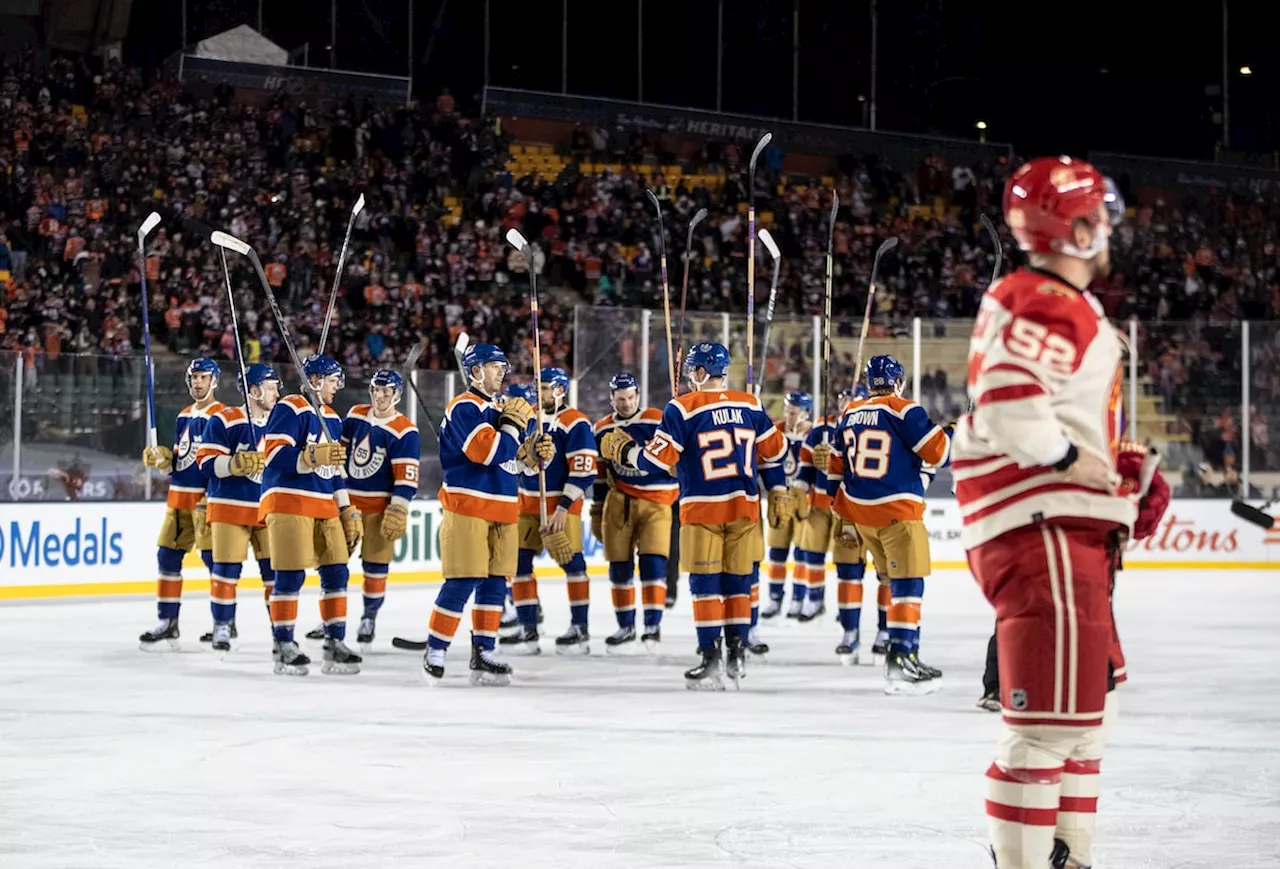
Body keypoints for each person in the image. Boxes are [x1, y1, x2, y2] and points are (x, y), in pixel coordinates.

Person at [951, 155, 1134, 869]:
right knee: (1046, 731)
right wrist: (1069, 462)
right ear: (1080, 227)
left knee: (1086, 720)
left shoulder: (1048, 297)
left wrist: (1113, 480)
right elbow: (1008, 398)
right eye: (1099, 216)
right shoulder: (1048, 297)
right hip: (1040, 529)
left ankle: (1069, 855)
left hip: (1060, 526)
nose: (1109, 228)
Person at [600, 342, 791, 689]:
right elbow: (775, 452)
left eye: (691, 371)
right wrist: (777, 489)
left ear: (701, 373)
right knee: (738, 585)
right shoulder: (750, 403)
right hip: (745, 510)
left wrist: (625, 450)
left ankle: (710, 658)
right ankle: (737, 655)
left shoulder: (681, 407)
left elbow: (655, 462)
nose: (688, 378)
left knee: (705, 587)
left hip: (702, 509)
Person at [814, 355, 950, 694]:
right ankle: (900, 660)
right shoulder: (905, 410)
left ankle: (906, 655)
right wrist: (952, 431)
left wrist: (840, 510)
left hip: (862, 516)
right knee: (908, 586)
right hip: (897, 512)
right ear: (899, 382)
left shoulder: (850, 414)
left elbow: (835, 467)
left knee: (892, 580)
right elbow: (940, 454)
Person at [423, 344, 531, 685]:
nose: (502, 371)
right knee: (463, 579)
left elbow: (515, 461)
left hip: (503, 507)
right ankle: (435, 648)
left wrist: (535, 454)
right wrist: (512, 428)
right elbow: (486, 452)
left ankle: (484, 650)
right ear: (474, 372)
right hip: (468, 508)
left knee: (496, 581)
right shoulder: (464, 407)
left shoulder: (498, 409)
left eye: (503, 365)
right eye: (493, 366)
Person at [260, 355, 363, 676]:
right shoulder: (289, 407)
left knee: (337, 571)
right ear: (315, 381)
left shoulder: (332, 417)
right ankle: (284, 644)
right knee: (290, 575)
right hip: (288, 501)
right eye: (332, 381)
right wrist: (310, 455)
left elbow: (334, 470)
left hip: (324, 504)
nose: (337, 387)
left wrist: (346, 507)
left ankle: (334, 642)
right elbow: (274, 453)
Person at [511, 367, 598, 655]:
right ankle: (528, 628)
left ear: (561, 390)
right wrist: (526, 459)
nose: (540, 392)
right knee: (519, 566)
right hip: (526, 505)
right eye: (538, 387)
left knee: (572, 564)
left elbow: (584, 472)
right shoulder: (528, 419)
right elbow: (515, 464)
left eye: (546, 387)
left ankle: (580, 628)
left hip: (561, 508)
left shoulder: (576, 423)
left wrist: (563, 508)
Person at [138, 358, 223, 650]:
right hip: (178, 499)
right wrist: (163, 461)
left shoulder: (222, 416)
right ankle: (168, 621)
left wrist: (214, 496)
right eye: (193, 378)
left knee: (215, 563)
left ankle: (223, 623)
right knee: (167, 558)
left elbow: (218, 463)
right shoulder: (183, 415)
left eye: (203, 377)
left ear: (214, 381)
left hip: (205, 502)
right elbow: (180, 463)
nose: (197, 383)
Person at [194, 363, 280, 653]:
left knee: (275, 574)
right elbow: (205, 462)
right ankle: (222, 626)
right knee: (225, 571)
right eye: (270, 387)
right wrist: (234, 464)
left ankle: (279, 629)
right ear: (253, 391)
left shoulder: (281, 421)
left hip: (268, 510)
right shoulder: (225, 419)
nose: (277, 392)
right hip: (230, 507)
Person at [591, 372, 677, 653]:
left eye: (630, 398)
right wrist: (598, 507)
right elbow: (601, 474)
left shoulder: (657, 418)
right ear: (612, 399)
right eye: (620, 399)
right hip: (622, 501)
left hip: (658, 502)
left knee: (653, 564)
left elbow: (673, 457)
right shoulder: (602, 428)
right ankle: (625, 626)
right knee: (619, 566)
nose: (626, 403)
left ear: (638, 396)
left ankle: (652, 626)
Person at [337, 368, 421, 648]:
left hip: (378, 509)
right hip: (348, 507)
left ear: (397, 395)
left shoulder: (405, 431)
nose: (380, 396)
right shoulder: (356, 415)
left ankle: (368, 617)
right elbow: (339, 456)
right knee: (334, 564)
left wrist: (398, 509)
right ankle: (332, 618)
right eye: (376, 390)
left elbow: (406, 476)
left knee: (375, 566)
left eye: (386, 391)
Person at [759, 392, 813, 618]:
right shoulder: (777, 430)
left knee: (801, 552)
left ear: (805, 412)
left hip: (803, 500)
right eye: (787, 410)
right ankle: (774, 597)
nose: (788, 415)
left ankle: (798, 598)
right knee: (777, 552)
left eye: (794, 412)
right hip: (780, 497)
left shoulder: (813, 434)